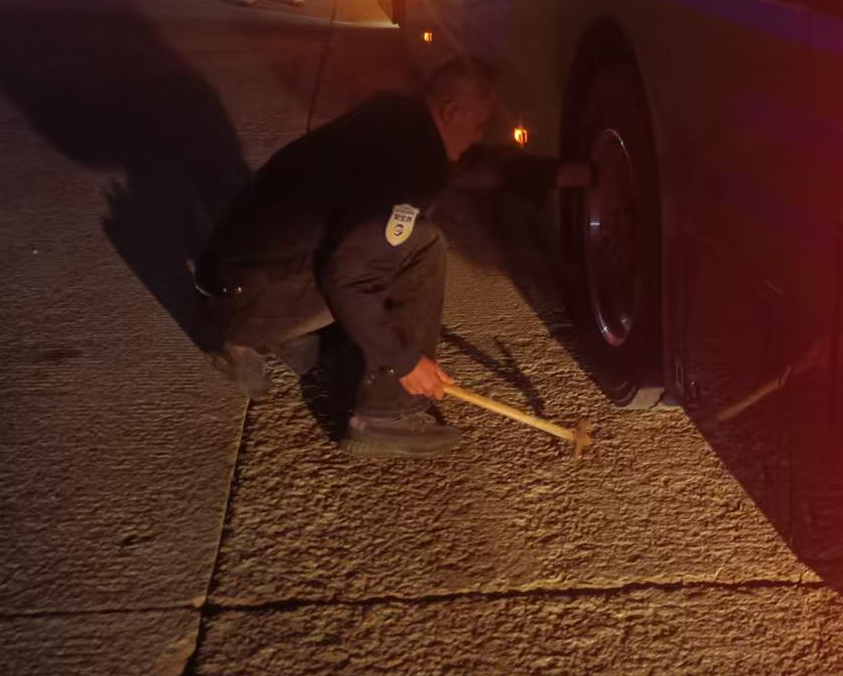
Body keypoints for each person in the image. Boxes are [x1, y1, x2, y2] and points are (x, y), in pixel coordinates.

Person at [196, 57, 590, 458]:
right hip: (247, 295)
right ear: (451, 112)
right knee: (421, 245)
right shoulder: (408, 168)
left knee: (384, 248)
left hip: (236, 274)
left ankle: (274, 336)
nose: (478, 135)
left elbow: (479, 167)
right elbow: (349, 278)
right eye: (478, 124)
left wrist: (566, 175)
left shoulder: (398, 122)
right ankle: (382, 414)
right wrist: (406, 362)